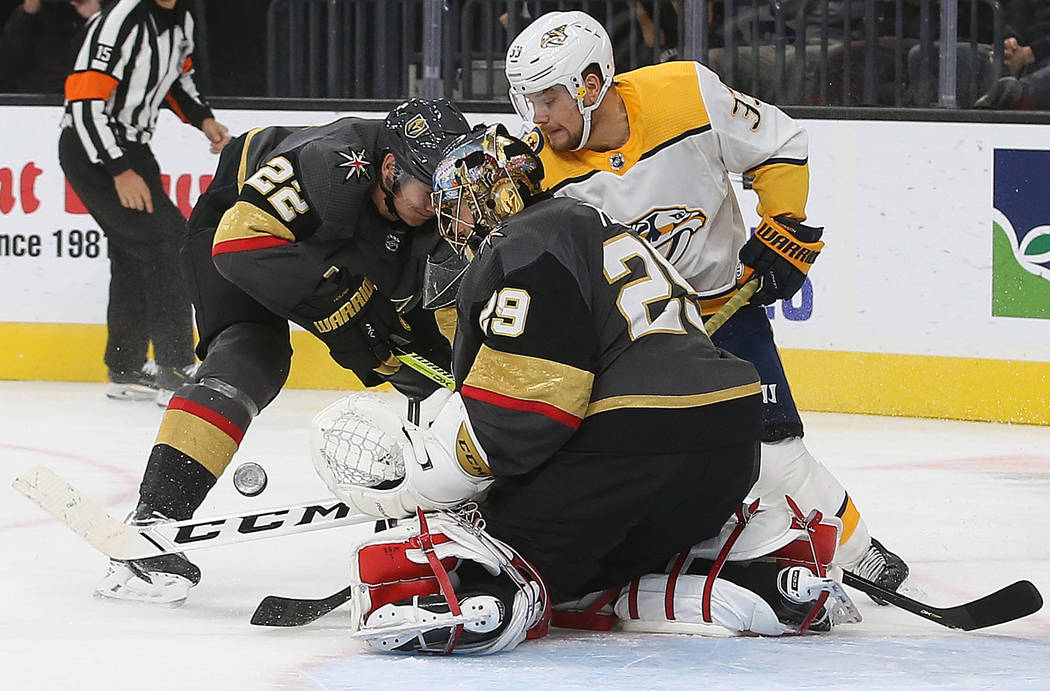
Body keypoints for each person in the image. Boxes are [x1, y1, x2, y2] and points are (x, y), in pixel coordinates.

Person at [306, 126, 859, 655]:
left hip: (636, 446)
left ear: (491, 196)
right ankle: (733, 577)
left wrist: (430, 482)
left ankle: (490, 598)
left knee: (484, 553)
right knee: (593, 571)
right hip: (729, 450)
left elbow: (526, 414)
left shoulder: (523, 243)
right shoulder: (602, 226)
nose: (454, 220)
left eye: (461, 203)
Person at [503, 10, 909, 601]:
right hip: (629, 342)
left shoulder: (685, 93)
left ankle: (854, 550)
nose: (536, 118)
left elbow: (780, 144)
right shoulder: (532, 170)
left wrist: (784, 225)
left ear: (590, 85)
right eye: (526, 101)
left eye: (548, 99)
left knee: (772, 446)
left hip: (724, 310)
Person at [93, 98, 471, 605]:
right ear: (389, 168)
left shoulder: (432, 204)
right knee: (253, 352)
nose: (444, 206)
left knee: (421, 362)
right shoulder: (330, 163)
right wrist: (338, 302)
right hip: (237, 220)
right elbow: (238, 246)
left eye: (452, 191)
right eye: (431, 190)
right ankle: (154, 519)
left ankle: (444, 507)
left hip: (339, 237)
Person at [59, 0, 229, 403]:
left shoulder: (181, 18)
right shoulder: (121, 19)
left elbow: (176, 80)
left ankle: (127, 365)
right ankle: (175, 365)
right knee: (169, 242)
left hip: (132, 149)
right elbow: (83, 101)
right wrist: (118, 169)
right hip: (94, 150)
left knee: (136, 251)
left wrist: (203, 119)